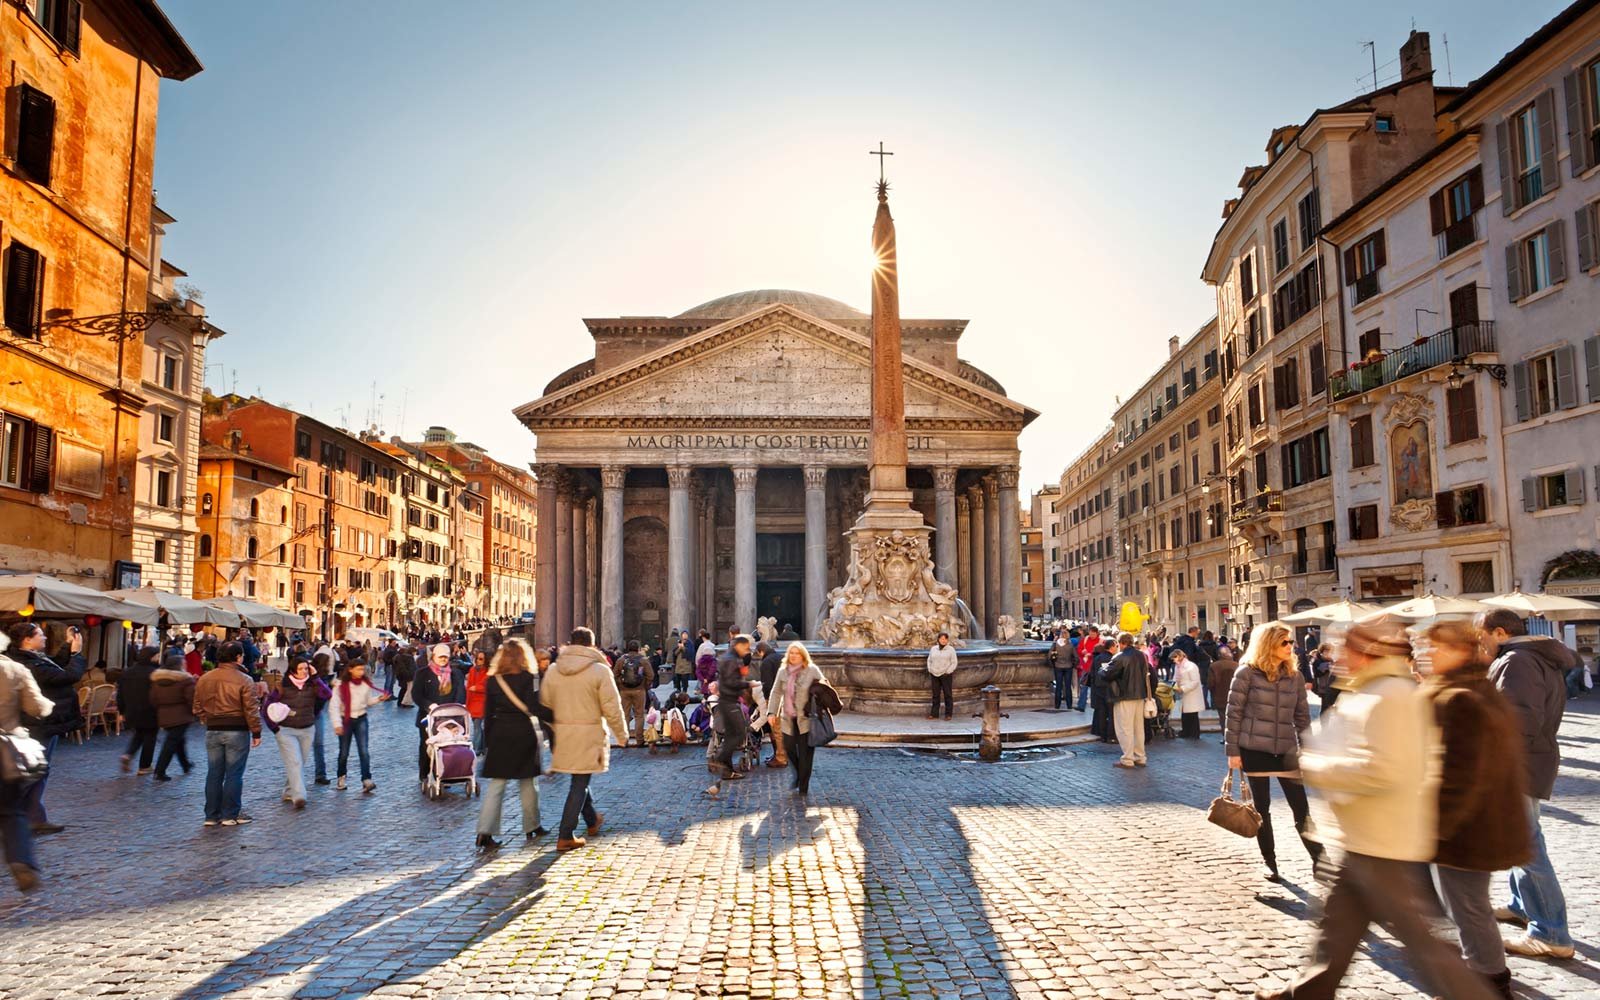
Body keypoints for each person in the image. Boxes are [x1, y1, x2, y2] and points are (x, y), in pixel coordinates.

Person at [1258, 620, 1495, 1000]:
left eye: (1343, 648)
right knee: (1337, 930)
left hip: (1384, 841)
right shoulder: (1368, 691)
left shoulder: (1392, 695)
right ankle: (1303, 994)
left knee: (1424, 948)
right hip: (1361, 837)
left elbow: (1387, 769)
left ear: (1366, 652)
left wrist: (1319, 766)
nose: (1335, 656)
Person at [1421, 620, 1531, 1000]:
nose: (1429, 654)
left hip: (1467, 829)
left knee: (1468, 908)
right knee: (1468, 907)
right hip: (1474, 824)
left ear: (1460, 651)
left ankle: (1489, 983)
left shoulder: (1463, 697)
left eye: (1437, 648)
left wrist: (1437, 829)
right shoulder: (1467, 689)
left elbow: (1462, 776)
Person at [1478, 608, 1577, 959]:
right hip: (1533, 760)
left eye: (1483, 635)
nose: (1481, 642)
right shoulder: (1532, 657)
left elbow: (1518, 720)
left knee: (1526, 843)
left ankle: (1552, 933)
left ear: (1500, 633)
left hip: (1517, 764)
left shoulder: (1517, 661)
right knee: (1522, 837)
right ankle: (1522, 905)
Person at [1226, 622, 1322, 882]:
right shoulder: (1246, 673)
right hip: (1254, 748)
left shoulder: (1295, 676)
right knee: (1262, 809)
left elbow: (1302, 717)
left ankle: (1320, 861)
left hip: (1286, 749)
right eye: (1285, 643)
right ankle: (1270, 862)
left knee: (1301, 808)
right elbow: (1233, 714)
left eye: (1291, 642)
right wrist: (1232, 751)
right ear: (1269, 644)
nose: (1291, 647)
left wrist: (1309, 749)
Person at [540, 628, 627, 852]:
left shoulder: (553, 670)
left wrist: (553, 733)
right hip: (589, 734)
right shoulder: (599, 670)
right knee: (579, 782)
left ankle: (592, 820)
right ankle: (566, 834)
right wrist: (622, 734)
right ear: (591, 645)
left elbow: (545, 706)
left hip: (563, 735)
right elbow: (612, 706)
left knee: (580, 779)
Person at [474, 638, 554, 850]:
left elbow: (487, 714)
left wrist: (489, 740)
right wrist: (555, 716)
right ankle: (532, 825)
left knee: (496, 786)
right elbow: (534, 706)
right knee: (528, 782)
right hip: (523, 732)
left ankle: (485, 831)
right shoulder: (529, 677)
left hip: (500, 733)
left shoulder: (493, 680)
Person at [7, 621, 84, 836]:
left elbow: (54, 665)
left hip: (42, 723)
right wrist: (77, 655)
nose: (46, 637)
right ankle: (15, 816)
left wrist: (68, 646)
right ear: (27, 640)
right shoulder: (27, 664)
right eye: (40, 634)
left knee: (38, 771)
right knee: (33, 771)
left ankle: (33, 817)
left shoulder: (32, 659)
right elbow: (65, 676)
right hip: (36, 725)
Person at [0, 630, 53, 891]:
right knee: (11, 812)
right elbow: (37, 708)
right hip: (5, 752)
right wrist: (48, 705)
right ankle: (21, 860)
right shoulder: (14, 670)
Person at [192, 642, 261, 827]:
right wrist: (256, 731)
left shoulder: (205, 678)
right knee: (234, 774)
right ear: (238, 657)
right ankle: (229, 814)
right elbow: (251, 709)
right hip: (236, 730)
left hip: (213, 729)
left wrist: (208, 719)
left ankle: (211, 815)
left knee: (214, 773)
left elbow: (197, 706)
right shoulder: (244, 679)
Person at [261, 657, 330, 810]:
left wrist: (316, 676)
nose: (304, 671)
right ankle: (299, 796)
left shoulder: (312, 684)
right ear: (293, 670)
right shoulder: (282, 686)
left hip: (307, 728)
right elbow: (266, 709)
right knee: (295, 762)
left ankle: (288, 790)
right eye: (300, 669)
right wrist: (275, 729)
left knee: (299, 762)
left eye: (306, 668)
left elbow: (327, 694)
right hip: (286, 730)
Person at [767, 642, 827, 797]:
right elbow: (775, 693)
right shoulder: (782, 671)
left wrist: (817, 695)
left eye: (797, 653)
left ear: (803, 655)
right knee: (789, 749)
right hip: (788, 718)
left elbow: (825, 687)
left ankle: (803, 786)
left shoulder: (812, 670)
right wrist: (771, 712)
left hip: (806, 719)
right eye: (791, 653)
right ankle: (800, 775)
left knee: (806, 754)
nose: (793, 656)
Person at [706, 634, 754, 796]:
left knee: (731, 735)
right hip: (730, 701)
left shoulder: (729, 658)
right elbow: (731, 682)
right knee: (740, 733)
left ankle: (727, 771)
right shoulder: (731, 660)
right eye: (746, 647)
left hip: (726, 701)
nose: (747, 651)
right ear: (739, 646)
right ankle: (720, 757)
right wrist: (748, 683)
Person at [331, 659, 388, 792]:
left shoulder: (365, 684)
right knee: (344, 751)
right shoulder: (340, 685)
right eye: (358, 669)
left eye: (362, 669)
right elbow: (333, 706)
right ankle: (341, 776)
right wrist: (336, 724)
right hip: (345, 719)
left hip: (361, 718)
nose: (361, 672)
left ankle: (366, 779)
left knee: (364, 751)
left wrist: (378, 699)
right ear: (350, 669)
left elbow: (367, 701)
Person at [412, 643, 464, 783]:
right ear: (434, 656)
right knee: (426, 745)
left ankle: (443, 774)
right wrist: (429, 705)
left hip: (449, 717)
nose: (443, 659)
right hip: (428, 716)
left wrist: (457, 707)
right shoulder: (422, 673)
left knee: (447, 746)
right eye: (440, 657)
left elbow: (460, 692)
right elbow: (416, 695)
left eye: (446, 657)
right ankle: (424, 774)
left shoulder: (455, 674)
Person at [1101, 633, 1150, 767]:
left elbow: (1107, 673)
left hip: (1124, 696)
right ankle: (1140, 756)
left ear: (1121, 643)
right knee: (1138, 728)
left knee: (1125, 728)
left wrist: (1102, 668)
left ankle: (1128, 758)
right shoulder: (1141, 656)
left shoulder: (1120, 657)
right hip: (1139, 695)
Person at [148, 652, 196, 781]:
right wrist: (195, 711)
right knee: (171, 742)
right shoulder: (185, 680)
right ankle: (160, 770)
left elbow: (153, 699)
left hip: (163, 714)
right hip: (181, 715)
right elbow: (191, 698)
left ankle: (185, 765)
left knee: (178, 740)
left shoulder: (157, 680)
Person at [117, 645, 161, 775]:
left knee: (139, 734)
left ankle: (128, 754)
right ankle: (144, 766)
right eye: (157, 656)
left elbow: (120, 694)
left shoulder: (128, 672)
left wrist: (122, 711)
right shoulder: (155, 673)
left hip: (131, 710)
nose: (158, 658)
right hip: (150, 710)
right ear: (151, 657)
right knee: (150, 737)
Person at [613, 640, 653, 746]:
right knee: (639, 715)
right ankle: (639, 740)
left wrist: (620, 685)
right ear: (638, 649)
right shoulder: (643, 660)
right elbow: (651, 675)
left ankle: (624, 740)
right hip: (639, 690)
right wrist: (645, 686)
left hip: (624, 691)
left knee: (625, 715)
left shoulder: (621, 660)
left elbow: (614, 675)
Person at [757, 641, 787, 768]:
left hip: (776, 699)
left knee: (777, 729)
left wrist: (768, 700)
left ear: (761, 652)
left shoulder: (766, 662)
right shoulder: (782, 658)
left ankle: (781, 758)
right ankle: (783, 755)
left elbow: (767, 684)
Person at [1172, 648, 1203, 739]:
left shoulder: (1191, 666)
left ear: (1179, 656)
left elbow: (1195, 681)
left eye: (1174, 658)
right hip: (1183, 693)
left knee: (1192, 714)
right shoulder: (1177, 666)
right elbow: (1175, 677)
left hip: (1191, 694)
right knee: (1184, 714)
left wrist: (1183, 688)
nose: (1173, 660)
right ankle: (1185, 732)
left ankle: (1194, 733)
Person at [1209, 640, 1238, 738]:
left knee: (1222, 717)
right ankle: (1234, 736)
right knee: (1235, 717)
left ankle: (1225, 736)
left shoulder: (1214, 666)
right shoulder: (1237, 666)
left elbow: (1210, 683)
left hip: (1219, 696)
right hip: (1235, 697)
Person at [1089, 639, 1115, 742]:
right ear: (1112, 647)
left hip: (1098, 688)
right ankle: (1110, 735)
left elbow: (1092, 673)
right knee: (1111, 712)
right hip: (1109, 688)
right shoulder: (1113, 659)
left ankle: (1102, 734)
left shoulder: (1097, 658)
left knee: (1101, 712)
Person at [926, 632, 957, 720]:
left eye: (945, 639)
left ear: (947, 640)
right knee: (935, 695)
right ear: (938, 640)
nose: (943, 641)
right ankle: (934, 713)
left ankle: (948, 714)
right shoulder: (933, 649)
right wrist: (930, 669)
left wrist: (948, 671)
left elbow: (954, 662)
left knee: (948, 694)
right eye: (941, 639)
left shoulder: (951, 650)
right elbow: (929, 660)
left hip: (946, 675)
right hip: (934, 674)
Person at [465, 650, 490, 751]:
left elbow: (486, 686)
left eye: (481, 659)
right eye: (478, 658)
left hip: (481, 702)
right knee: (478, 727)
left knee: (477, 727)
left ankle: (476, 749)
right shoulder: (472, 670)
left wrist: (476, 688)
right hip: (472, 701)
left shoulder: (488, 672)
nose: (479, 661)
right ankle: (482, 747)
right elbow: (469, 687)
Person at [1048, 631, 1074, 709]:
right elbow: (1075, 656)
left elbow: (1049, 655)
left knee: (1059, 686)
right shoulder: (1070, 645)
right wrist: (1074, 664)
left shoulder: (1056, 645)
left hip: (1058, 666)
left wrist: (1052, 663)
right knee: (1068, 686)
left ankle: (1057, 705)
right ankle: (1069, 705)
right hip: (1068, 666)